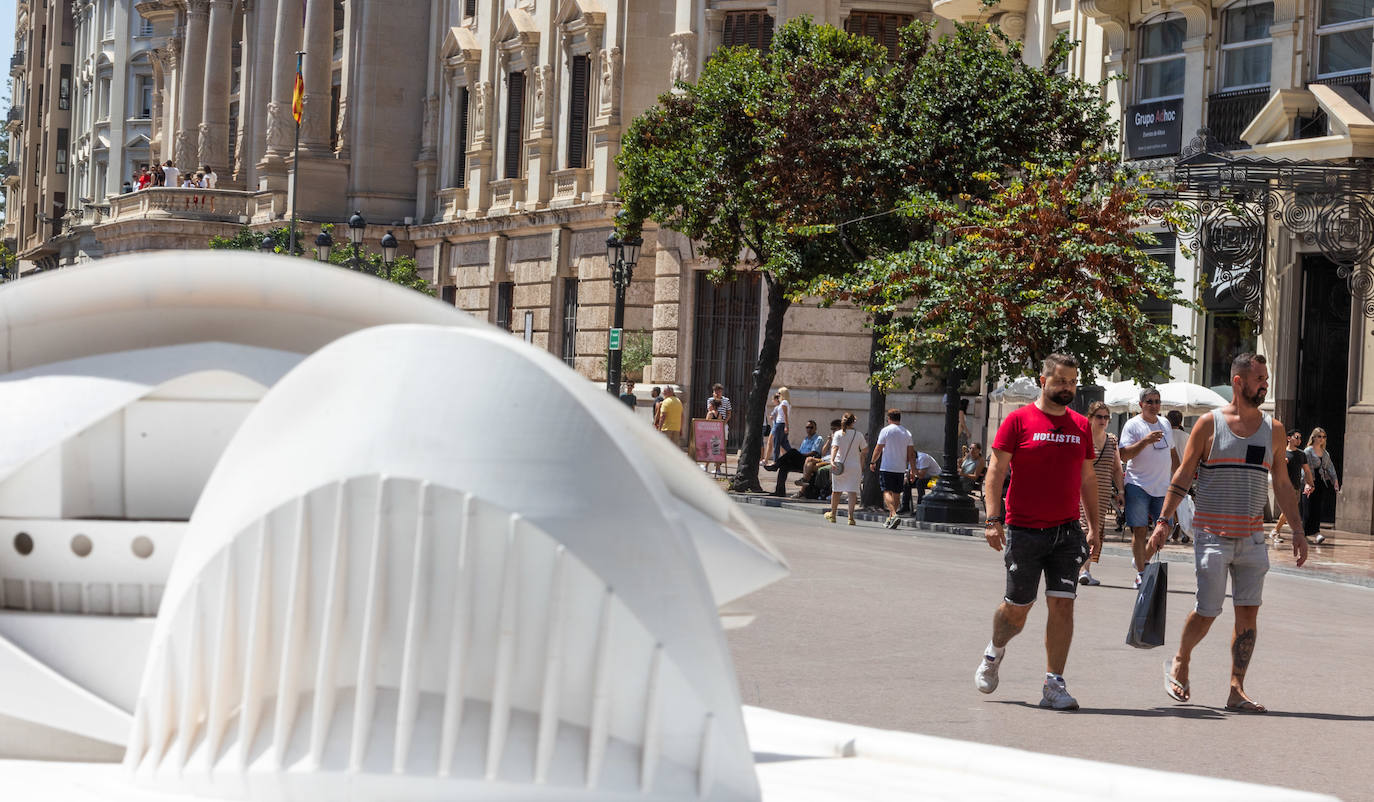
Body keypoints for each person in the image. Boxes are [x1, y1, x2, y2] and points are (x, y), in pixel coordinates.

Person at [1152, 353, 1307, 713]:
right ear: (1239, 382)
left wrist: (1297, 529)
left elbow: (1282, 484)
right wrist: (1163, 521)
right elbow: (1183, 475)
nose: (1264, 384)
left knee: (1248, 616)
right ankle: (1181, 658)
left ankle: (1236, 689)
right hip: (1211, 534)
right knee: (1207, 611)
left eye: (1266, 378)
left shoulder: (1275, 430)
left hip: (1253, 538)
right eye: (1259, 379)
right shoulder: (1209, 425)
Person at [975, 354, 1101, 710]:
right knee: (1018, 607)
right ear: (1042, 380)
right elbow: (996, 473)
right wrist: (992, 518)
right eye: (1061, 381)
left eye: (1073, 382)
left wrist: (1094, 526)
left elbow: (1088, 478)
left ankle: (1053, 684)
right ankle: (994, 652)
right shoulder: (1018, 420)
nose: (1067, 388)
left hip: (1066, 532)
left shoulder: (1080, 425)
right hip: (1024, 529)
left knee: (1063, 605)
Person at [1118, 386, 1179, 586]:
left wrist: (1179, 477)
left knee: (1166, 528)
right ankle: (1142, 574)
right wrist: (1144, 442)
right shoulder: (1132, 425)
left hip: (1163, 487)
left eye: (1157, 401)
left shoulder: (1165, 424)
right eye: (1150, 402)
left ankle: (1142, 559)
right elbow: (1124, 455)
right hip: (1138, 484)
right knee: (1140, 529)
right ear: (1141, 405)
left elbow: (1172, 453)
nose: (1154, 405)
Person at [1077, 401, 1124, 587]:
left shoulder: (1112, 440)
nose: (1103, 420)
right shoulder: (1082, 437)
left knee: (1097, 530)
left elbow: (1117, 468)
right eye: (1099, 416)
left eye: (1106, 417)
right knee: (1084, 527)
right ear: (1090, 418)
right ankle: (1082, 569)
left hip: (1104, 492)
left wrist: (1120, 491)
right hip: (1083, 490)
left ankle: (1084, 568)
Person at [869, 409, 915, 529]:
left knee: (886, 491)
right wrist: (913, 470)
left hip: (887, 466)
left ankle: (894, 514)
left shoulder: (886, 431)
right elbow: (911, 454)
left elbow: (878, 448)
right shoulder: (907, 433)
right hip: (900, 468)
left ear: (889, 418)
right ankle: (890, 519)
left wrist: (873, 461)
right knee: (896, 493)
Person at [1271, 428, 1314, 545]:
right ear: (1288, 438)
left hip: (1296, 486)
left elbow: (1307, 470)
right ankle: (1275, 531)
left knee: (1289, 511)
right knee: (1288, 510)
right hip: (1283, 486)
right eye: (1297, 437)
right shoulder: (1281, 453)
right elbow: (1273, 468)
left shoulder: (1301, 454)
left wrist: (1310, 483)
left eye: (1300, 438)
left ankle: (1276, 530)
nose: (1299, 440)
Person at [825, 413, 867, 526]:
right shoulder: (859, 435)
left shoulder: (838, 434)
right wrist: (861, 463)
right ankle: (851, 517)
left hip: (839, 465)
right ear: (853, 422)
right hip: (854, 466)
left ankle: (833, 514)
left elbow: (834, 448)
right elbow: (865, 450)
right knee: (852, 492)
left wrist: (832, 460)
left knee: (836, 490)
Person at [1302, 427, 1339, 545]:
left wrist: (1335, 481)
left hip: (1321, 482)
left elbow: (1330, 467)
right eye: (1319, 436)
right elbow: (1306, 468)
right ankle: (1303, 533)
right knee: (1308, 508)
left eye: (1323, 437)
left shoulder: (1325, 453)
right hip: (1309, 482)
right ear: (1313, 437)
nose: (1321, 439)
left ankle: (1316, 532)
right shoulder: (1308, 451)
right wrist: (1308, 483)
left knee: (1317, 508)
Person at [708, 383, 732, 476]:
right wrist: (715, 400)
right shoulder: (710, 400)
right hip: (713, 426)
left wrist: (724, 423)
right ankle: (713, 466)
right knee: (713, 446)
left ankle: (718, 467)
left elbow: (729, 413)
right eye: (716, 391)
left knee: (722, 446)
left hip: (723, 425)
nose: (718, 393)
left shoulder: (726, 400)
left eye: (719, 391)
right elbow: (710, 411)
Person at [768, 387, 792, 463]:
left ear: (782, 394)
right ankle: (794, 456)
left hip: (780, 425)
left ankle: (775, 461)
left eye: (779, 393)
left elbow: (785, 415)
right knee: (784, 444)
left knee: (776, 443)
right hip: (782, 424)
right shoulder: (786, 402)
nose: (778, 395)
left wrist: (786, 426)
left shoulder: (784, 402)